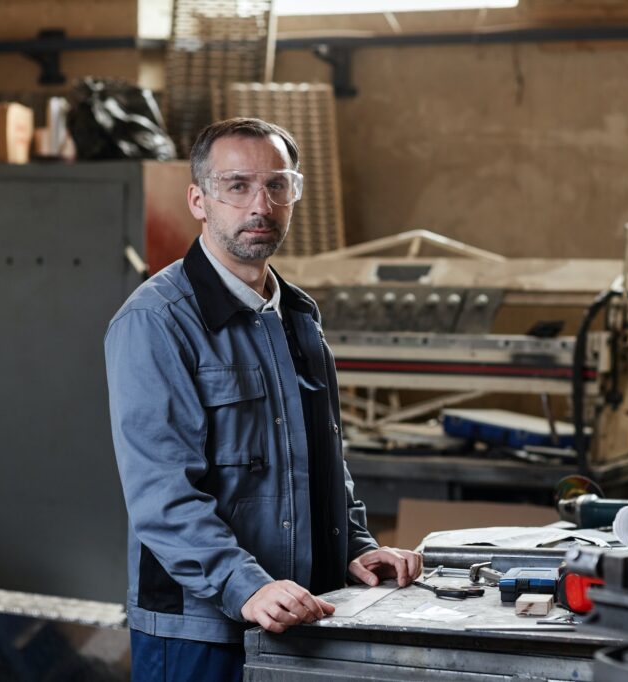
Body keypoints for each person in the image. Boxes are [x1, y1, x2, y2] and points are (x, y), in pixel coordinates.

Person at [105, 117, 422, 682]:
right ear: (199, 200)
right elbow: (161, 494)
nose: (261, 205)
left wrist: (356, 545)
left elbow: (322, 458)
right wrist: (242, 584)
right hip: (200, 631)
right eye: (237, 186)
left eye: (277, 185)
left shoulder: (298, 316)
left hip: (306, 614)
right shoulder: (157, 322)